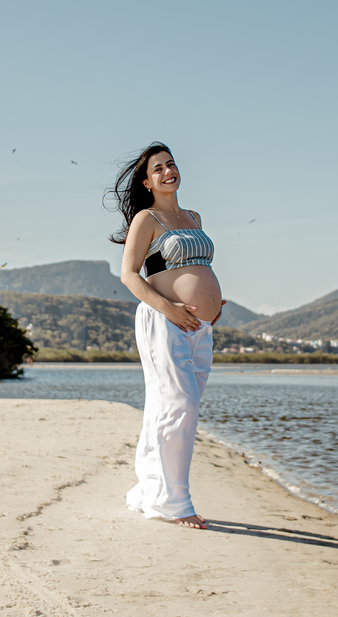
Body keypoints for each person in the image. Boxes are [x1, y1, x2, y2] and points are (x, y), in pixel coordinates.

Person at [109, 142, 225, 529]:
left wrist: (213, 304)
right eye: (158, 168)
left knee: (171, 408)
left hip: (200, 327)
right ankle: (176, 504)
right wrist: (170, 308)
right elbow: (129, 275)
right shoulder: (147, 218)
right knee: (181, 406)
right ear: (147, 181)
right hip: (164, 320)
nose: (167, 172)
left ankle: (151, 491)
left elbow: (195, 267)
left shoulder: (193, 217)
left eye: (171, 165)